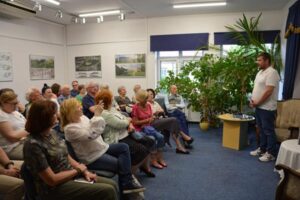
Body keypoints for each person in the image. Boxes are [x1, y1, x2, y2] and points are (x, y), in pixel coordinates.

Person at [23, 100, 118, 200]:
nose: (57, 115)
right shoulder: (32, 144)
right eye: (54, 114)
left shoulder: (51, 133)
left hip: (70, 175)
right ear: (44, 118)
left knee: (112, 184)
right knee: (108, 190)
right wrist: (77, 170)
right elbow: (52, 180)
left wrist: (85, 171)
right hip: (54, 188)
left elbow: (65, 154)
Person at [60, 98, 145, 194]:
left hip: (101, 148)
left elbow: (96, 128)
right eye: (77, 107)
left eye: (80, 105)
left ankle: (126, 184)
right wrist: (97, 115)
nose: (81, 107)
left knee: (123, 147)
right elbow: (92, 134)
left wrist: (97, 116)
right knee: (121, 165)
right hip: (92, 157)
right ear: (70, 111)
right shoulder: (69, 129)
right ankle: (127, 184)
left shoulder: (82, 117)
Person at [95, 90, 156, 177]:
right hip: (117, 139)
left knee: (149, 141)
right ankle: (130, 175)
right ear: (108, 100)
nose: (113, 99)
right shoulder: (104, 113)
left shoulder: (112, 109)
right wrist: (128, 122)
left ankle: (144, 167)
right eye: (112, 98)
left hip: (127, 133)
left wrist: (129, 123)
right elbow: (120, 124)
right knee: (141, 149)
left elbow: (125, 117)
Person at [134, 89, 192, 155]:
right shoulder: (143, 105)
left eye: (151, 94)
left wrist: (157, 113)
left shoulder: (153, 103)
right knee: (173, 120)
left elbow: (161, 111)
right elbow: (146, 117)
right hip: (152, 123)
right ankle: (183, 139)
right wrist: (154, 115)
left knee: (175, 121)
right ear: (143, 97)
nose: (150, 96)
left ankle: (180, 145)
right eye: (149, 95)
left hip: (158, 119)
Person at [249, 52, 280, 162]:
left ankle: (271, 153)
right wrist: (253, 101)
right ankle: (262, 149)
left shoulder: (272, 72)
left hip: (267, 108)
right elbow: (258, 88)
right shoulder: (260, 72)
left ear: (267, 60)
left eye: (260, 60)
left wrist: (257, 102)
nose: (258, 62)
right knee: (261, 130)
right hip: (259, 107)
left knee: (268, 131)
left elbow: (268, 91)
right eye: (257, 60)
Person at [131, 89, 166, 169]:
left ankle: (159, 158)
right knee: (152, 139)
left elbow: (150, 117)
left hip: (148, 127)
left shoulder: (148, 105)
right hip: (140, 129)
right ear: (140, 99)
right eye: (146, 98)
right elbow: (135, 123)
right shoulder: (135, 108)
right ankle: (153, 160)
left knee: (161, 137)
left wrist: (152, 118)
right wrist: (147, 120)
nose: (147, 100)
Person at [0, 89, 28, 160]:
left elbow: (28, 124)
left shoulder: (15, 112)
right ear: (3, 103)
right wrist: (31, 129)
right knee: (40, 155)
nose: (16, 106)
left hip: (24, 142)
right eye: (14, 103)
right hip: (12, 148)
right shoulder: (1, 115)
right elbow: (12, 137)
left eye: (17, 103)